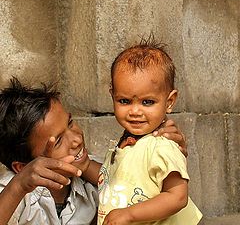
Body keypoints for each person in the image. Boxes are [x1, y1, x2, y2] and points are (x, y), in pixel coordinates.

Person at [0, 77, 186, 225]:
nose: (76, 139)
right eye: (58, 142)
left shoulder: (93, 174)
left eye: (70, 123)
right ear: (22, 167)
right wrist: (19, 185)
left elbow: (158, 195)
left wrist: (161, 152)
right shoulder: (12, 191)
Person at [97, 37, 202, 225]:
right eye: (124, 101)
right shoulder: (127, 142)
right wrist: (85, 167)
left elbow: (177, 196)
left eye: (147, 102)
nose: (135, 111)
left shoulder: (161, 145)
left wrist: (128, 214)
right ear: (112, 96)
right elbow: (112, 177)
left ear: (169, 101)